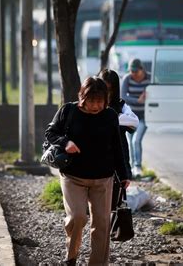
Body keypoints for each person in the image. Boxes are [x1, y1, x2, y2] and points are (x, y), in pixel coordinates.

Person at [44, 76, 130, 265]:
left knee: (101, 224)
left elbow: (117, 147)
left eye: (100, 101)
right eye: (92, 101)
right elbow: (50, 132)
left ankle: (97, 263)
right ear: (83, 97)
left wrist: (124, 175)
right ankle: (71, 257)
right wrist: (66, 143)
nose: (96, 106)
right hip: (73, 176)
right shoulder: (69, 111)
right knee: (77, 217)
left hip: (103, 178)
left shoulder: (109, 116)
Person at [99, 69, 139, 179]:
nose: (107, 94)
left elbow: (134, 122)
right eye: (104, 89)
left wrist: (112, 118)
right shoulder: (92, 104)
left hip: (119, 157)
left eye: (110, 89)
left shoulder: (121, 105)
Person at [121, 58, 150, 178]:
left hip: (144, 115)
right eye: (131, 71)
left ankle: (138, 166)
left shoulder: (150, 78)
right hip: (130, 116)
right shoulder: (127, 78)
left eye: (136, 71)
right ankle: (132, 167)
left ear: (142, 69)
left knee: (136, 140)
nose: (133, 74)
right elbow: (123, 96)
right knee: (129, 141)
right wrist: (137, 100)